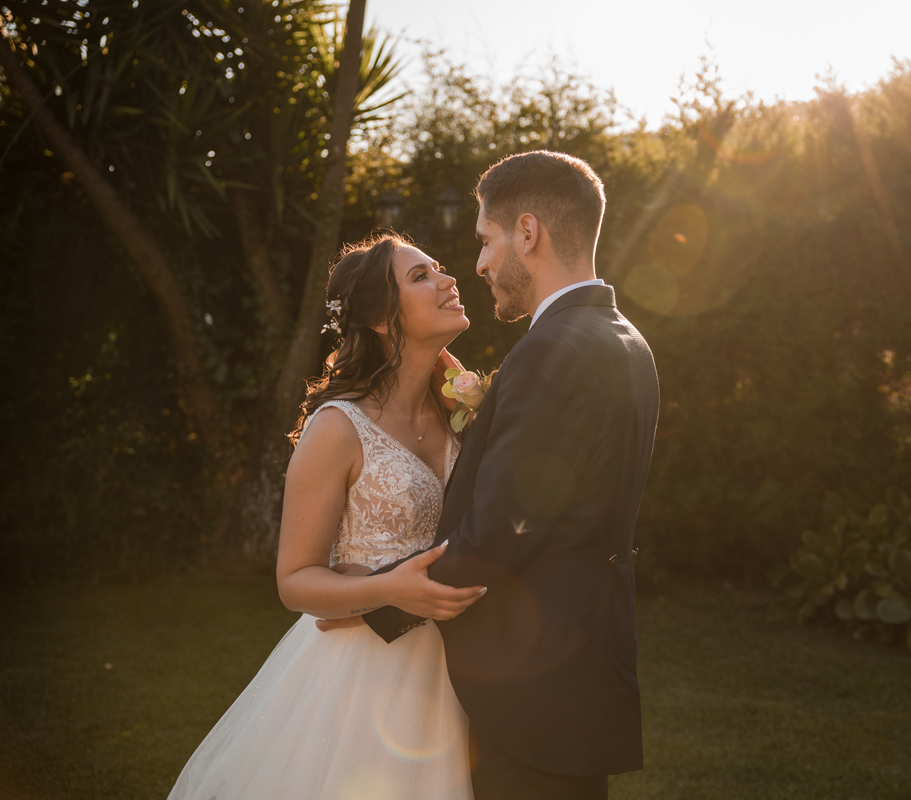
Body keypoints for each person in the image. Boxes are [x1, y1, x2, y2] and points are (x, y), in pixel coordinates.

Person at [323, 150, 661, 800]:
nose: (476, 266)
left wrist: (376, 605)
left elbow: (498, 533)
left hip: (532, 688)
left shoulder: (550, 351)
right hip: (582, 668)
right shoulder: (623, 339)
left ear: (527, 232)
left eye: (483, 242)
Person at [167, 233, 485, 799]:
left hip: (457, 666)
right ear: (382, 320)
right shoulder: (337, 428)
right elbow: (296, 580)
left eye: (438, 268)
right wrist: (390, 589)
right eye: (421, 276)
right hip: (363, 672)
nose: (448, 279)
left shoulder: (458, 409)